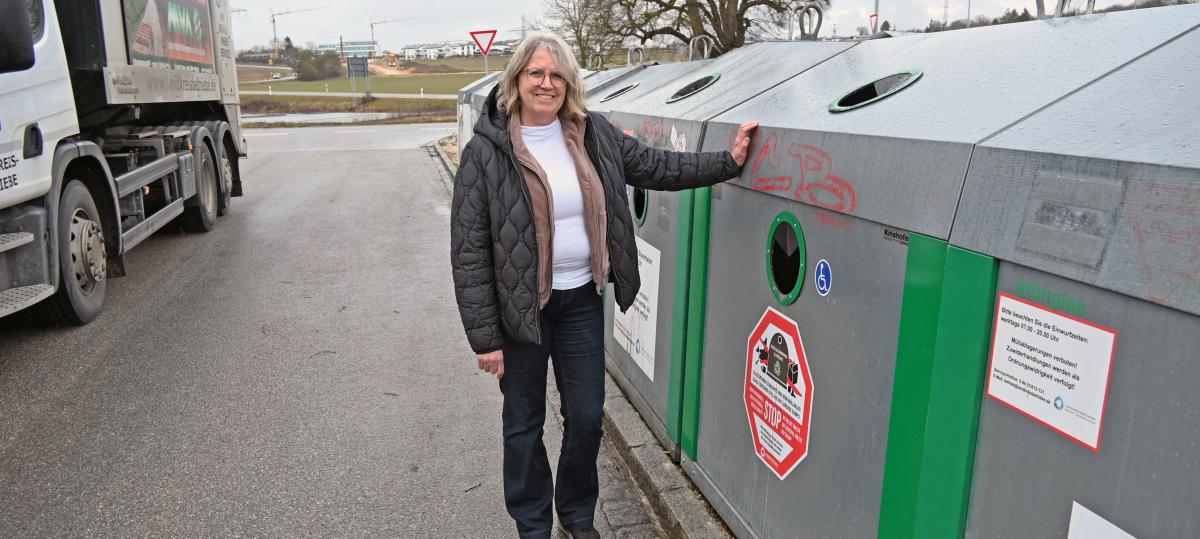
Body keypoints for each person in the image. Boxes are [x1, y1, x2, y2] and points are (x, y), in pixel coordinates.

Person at [450, 32, 757, 539]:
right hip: (520, 311)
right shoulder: (487, 150)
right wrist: (485, 338)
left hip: (580, 302)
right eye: (536, 74)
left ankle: (576, 514)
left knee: (588, 418)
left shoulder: (592, 133)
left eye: (556, 75)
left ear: (569, 83)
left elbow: (657, 165)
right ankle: (532, 524)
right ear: (517, 80)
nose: (546, 84)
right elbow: (468, 248)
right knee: (524, 426)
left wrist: (727, 161)